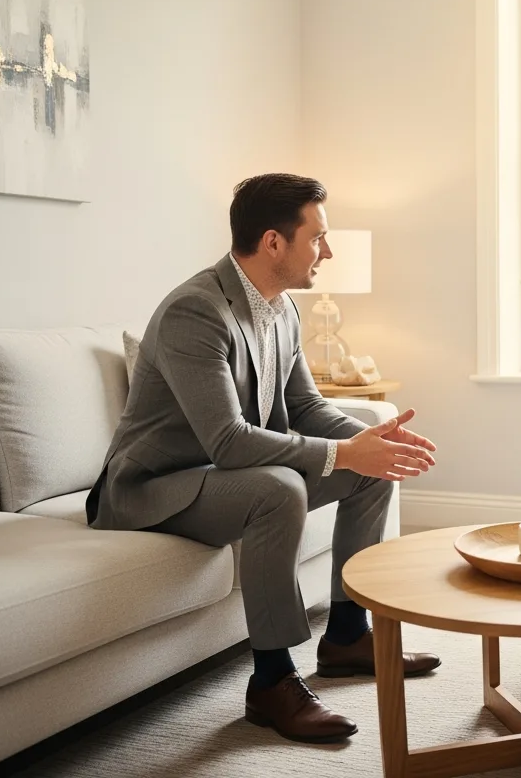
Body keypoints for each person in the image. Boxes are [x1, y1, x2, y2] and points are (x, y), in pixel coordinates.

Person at [85, 173, 441, 744]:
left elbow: (302, 405)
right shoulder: (194, 311)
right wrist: (344, 450)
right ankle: (271, 683)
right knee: (282, 488)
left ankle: (348, 636)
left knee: (369, 466)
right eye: (318, 237)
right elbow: (228, 439)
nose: (329, 250)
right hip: (153, 486)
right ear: (274, 242)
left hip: (219, 475)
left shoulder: (281, 308)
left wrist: (369, 444)